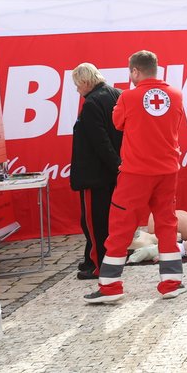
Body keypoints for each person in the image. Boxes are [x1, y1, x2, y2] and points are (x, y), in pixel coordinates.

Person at [84, 50, 187, 304]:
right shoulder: (175, 95)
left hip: (136, 173)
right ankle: (171, 282)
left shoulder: (128, 97)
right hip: (167, 170)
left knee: (120, 227)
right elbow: (176, 125)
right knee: (166, 225)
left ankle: (110, 286)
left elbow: (118, 123)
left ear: (135, 71)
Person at [70, 63, 123, 281]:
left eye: (77, 85)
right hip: (112, 172)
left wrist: (115, 165)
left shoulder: (91, 103)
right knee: (107, 220)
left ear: (85, 82)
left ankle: (100, 266)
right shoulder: (117, 94)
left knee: (94, 222)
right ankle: (91, 258)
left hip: (97, 174)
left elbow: (100, 142)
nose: (77, 90)